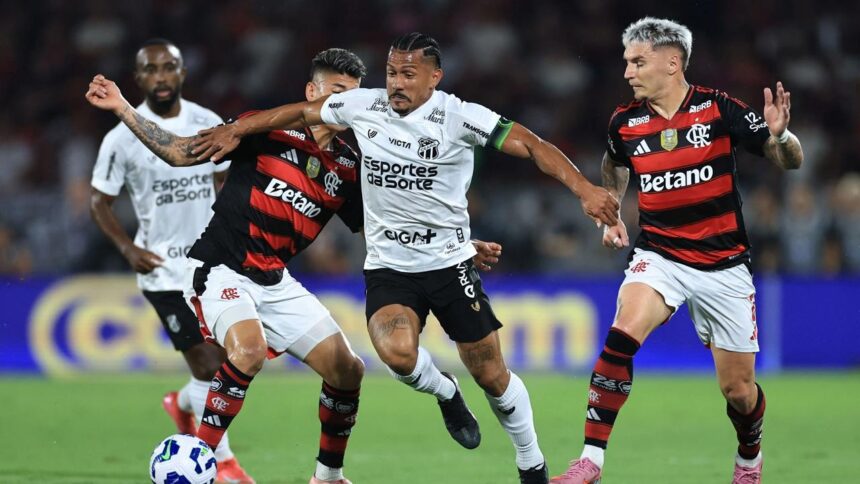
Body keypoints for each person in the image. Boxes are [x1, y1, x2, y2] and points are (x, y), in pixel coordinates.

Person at [191, 32, 621, 484]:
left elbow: (532, 145)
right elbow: (301, 112)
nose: (396, 83)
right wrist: (237, 128)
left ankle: (530, 463)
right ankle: (445, 391)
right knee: (397, 356)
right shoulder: (364, 105)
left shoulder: (460, 117)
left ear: (435, 77)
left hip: (449, 264)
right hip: (389, 267)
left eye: (408, 74)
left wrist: (584, 189)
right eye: (392, 72)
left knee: (491, 374)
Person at [86, 47, 503, 484]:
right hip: (222, 267)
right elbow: (180, 152)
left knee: (348, 370)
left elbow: (382, 226)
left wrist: (455, 246)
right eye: (336, 92)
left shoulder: (349, 163)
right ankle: (202, 462)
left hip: (275, 280)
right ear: (311, 92)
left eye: (353, 94)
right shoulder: (265, 130)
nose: (345, 103)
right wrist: (123, 108)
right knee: (248, 351)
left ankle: (328, 477)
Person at [549, 18, 803, 484]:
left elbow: (788, 160)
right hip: (660, 255)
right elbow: (614, 163)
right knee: (622, 334)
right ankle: (590, 460)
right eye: (627, 62)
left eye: (637, 62)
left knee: (739, 390)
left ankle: (749, 458)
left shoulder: (718, 108)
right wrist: (613, 212)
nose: (627, 71)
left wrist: (782, 136)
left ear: (672, 62)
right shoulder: (625, 122)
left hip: (724, 264)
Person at [88, 38, 254, 484]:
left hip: (210, 266)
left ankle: (179, 405)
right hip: (162, 270)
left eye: (168, 67)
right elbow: (99, 202)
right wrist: (128, 249)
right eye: (151, 69)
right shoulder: (120, 138)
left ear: (182, 72)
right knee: (210, 368)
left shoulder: (206, 122)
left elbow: (226, 184)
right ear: (138, 77)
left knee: (228, 363)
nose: (160, 77)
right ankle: (223, 464)